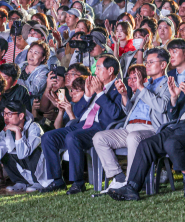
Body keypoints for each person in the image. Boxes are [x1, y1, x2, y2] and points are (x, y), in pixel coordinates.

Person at [109, 52, 185, 201]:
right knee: (146, 144)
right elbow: (173, 115)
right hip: (176, 127)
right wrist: (173, 98)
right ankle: (132, 187)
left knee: (172, 143)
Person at [40, 54, 123, 194]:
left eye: (98, 68)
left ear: (110, 70)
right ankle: (57, 180)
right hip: (81, 125)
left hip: (100, 128)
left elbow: (115, 114)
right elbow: (77, 112)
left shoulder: (118, 87)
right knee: (48, 137)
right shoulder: (93, 85)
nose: (95, 72)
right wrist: (87, 96)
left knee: (73, 137)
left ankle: (78, 182)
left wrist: (100, 94)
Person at [93, 49, 171, 192]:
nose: (147, 65)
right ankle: (118, 178)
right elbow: (129, 110)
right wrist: (124, 95)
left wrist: (141, 87)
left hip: (151, 130)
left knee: (134, 138)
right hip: (129, 127)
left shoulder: (168, 84)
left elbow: (161, 107)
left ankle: (131, 183)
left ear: (163, 65)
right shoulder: (147, 85)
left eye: (151, 62)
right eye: (146, 62)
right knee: (99, 137)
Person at [0, 100, 50, 193]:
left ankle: (38, 182)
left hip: (43, 170)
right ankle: (20, 181)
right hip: (25, 169)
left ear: (21, 116)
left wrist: (17, 131)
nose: (6, 117)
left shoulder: (34, 127)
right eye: (4, 114)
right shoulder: (6, 131)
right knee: (5, 153)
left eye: (10, 114)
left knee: (34, 151)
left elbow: (24, 154)